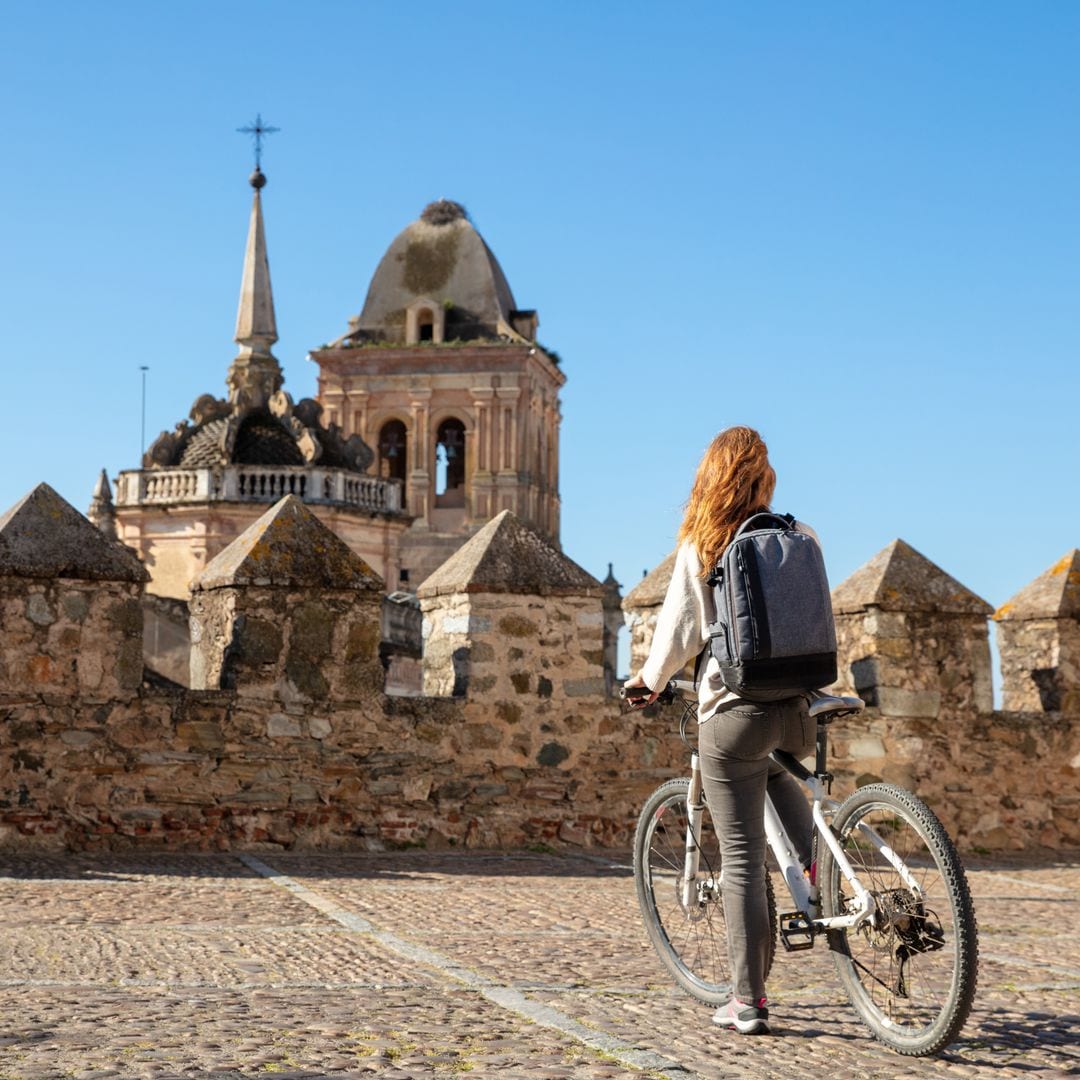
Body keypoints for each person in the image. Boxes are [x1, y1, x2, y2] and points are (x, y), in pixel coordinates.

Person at [623, 425, 816, 1037]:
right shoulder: (800, 536)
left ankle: (747, 1001)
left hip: (733, 714)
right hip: (799, 707)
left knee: (739, 859)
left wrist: (647, 683)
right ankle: (822, 883)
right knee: (787, 791)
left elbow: (678, 636)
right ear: (765, 476)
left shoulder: (703, 547)